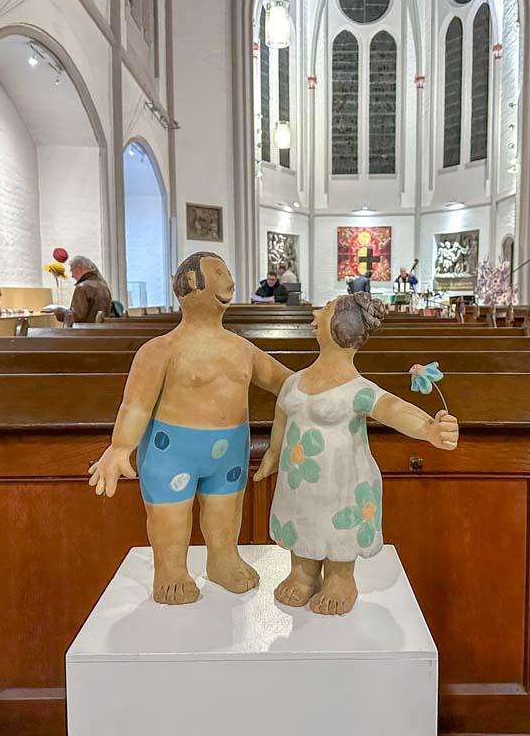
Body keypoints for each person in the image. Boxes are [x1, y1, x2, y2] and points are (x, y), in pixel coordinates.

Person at [88, 252, 292, 604]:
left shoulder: (243, 349)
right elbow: (136, 404)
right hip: (171, 452)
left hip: (229, 452)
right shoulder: (161, 349)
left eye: (228, 272)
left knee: (225, 512)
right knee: (170, 516)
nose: (229, 281)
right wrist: (120, 447)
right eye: (219, 272)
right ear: (192, 284)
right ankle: (170, 570)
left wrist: (324, 385)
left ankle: (223, 559)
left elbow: (285, 383)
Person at [253, 293, 459, 615]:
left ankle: (340, 578)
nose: (316, 312)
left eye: (326, 308)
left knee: (338, 525)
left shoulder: (357, 389)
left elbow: (392, 407)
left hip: (342, 478)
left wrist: (429, 429)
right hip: (299, 476)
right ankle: (303, 573)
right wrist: (274, 453)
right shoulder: (294, 382)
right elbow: (283, 417)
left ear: (342, 325)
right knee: (304, 518)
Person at [51, 256, 112, 324]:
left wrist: (60, 311)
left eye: (72, 270)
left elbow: (77, 316)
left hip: (85, 329)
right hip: (102, 328)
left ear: (79, 268)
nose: (72, 275)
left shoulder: (82, 287)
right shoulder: (103, 285)